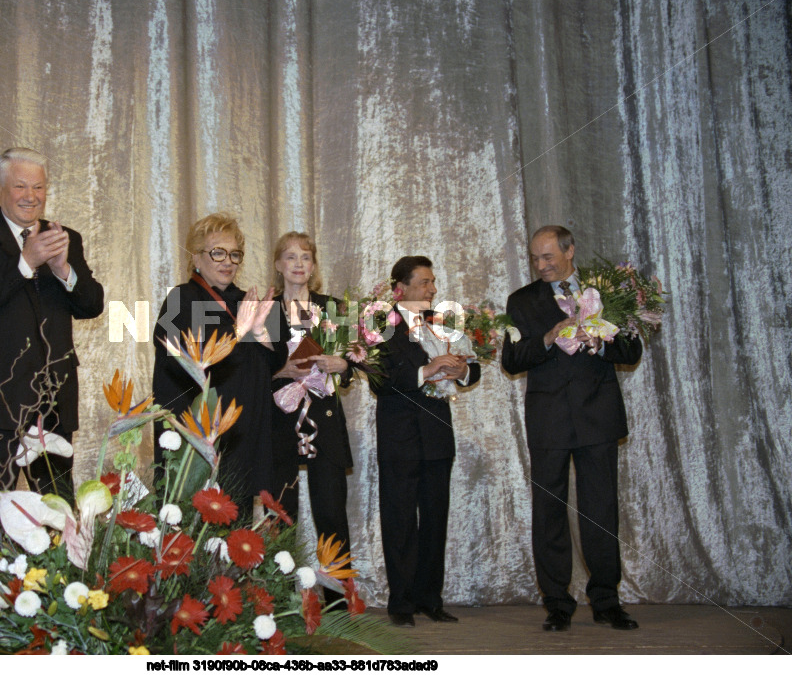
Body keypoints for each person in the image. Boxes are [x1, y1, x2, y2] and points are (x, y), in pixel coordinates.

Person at [0, 148, 104, 567]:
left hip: (50, 399)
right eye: (20, 186)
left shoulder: (63, 235)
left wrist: (63, 268)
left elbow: (91, 304)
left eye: (39, 186)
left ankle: (58, 608)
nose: (31, 195)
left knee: (54, 506)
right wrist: (25, 261)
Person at [502, 225, 642, 632]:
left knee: (601, 510)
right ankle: (557, 602)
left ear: (569, 251)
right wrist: (546, 338)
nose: (541, 265)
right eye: (535, 258)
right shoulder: (521, 301)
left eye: (548, 257)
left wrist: (601, 342)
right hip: (548, 421)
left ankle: (606, 599)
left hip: (597, 417)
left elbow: (631, 350)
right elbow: (511, 360)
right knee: (549, 512)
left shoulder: (607, 291)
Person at [372, 256, 481, 627]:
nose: (433, 289)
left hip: (437, 438)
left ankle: (430, 599)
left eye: (434, 282)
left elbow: (474, 366)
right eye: (424, 283)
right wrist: (427, 369)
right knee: (400, 522)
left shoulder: (442, 324)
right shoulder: (379, 325)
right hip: (399, 439)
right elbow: (379, 379)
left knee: (435, 521)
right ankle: (401, 603)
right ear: (400, 288)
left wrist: (464, 369)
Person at [152, 213, 284, 512]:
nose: (228, 261)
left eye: (235, 254)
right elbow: (180, 360)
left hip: (242, 437)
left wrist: (261, 328)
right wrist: (238, 330)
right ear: (196, 258)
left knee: (238, 529)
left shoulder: (247, 300)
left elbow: (275, 365)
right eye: (218, 253)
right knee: (192, 534)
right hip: (197, 437)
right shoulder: (180, 298)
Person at [270, 232, 355, 604]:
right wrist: (279, 370)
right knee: (279, 517)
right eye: (290, 257)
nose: (299, 263)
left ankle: (337, 603)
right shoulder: (262, 310)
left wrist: (344, 365)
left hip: (325, 421)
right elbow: (249, 370)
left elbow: (354, 364)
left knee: (332, 516)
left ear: (315, 265)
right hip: (278, 423)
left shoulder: (333, 307)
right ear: (278, 265)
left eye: (306, 257)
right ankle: (279, 601)